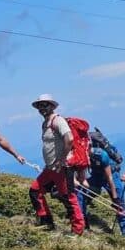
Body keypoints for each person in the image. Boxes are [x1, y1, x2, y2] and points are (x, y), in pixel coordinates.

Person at [28, 94, 85, 235]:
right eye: (40, 106)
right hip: (50, 169)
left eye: (45, 105)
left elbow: (69, 139)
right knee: (35, 191)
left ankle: (77, 231)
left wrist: (61, 159)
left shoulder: (58, 121)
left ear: (52, 106)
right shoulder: (45, 123)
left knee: (69, 198)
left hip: (62, 168)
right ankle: (46, 222)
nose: (42, 108)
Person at [76, 143, 125, 236]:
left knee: (119, 204)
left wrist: (115, 197)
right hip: (96, 175)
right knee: (80, 192)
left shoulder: (101, 154)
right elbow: (81, 176)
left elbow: (109, 178)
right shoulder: (80, 155)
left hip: (112, 176)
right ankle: (83, 225)